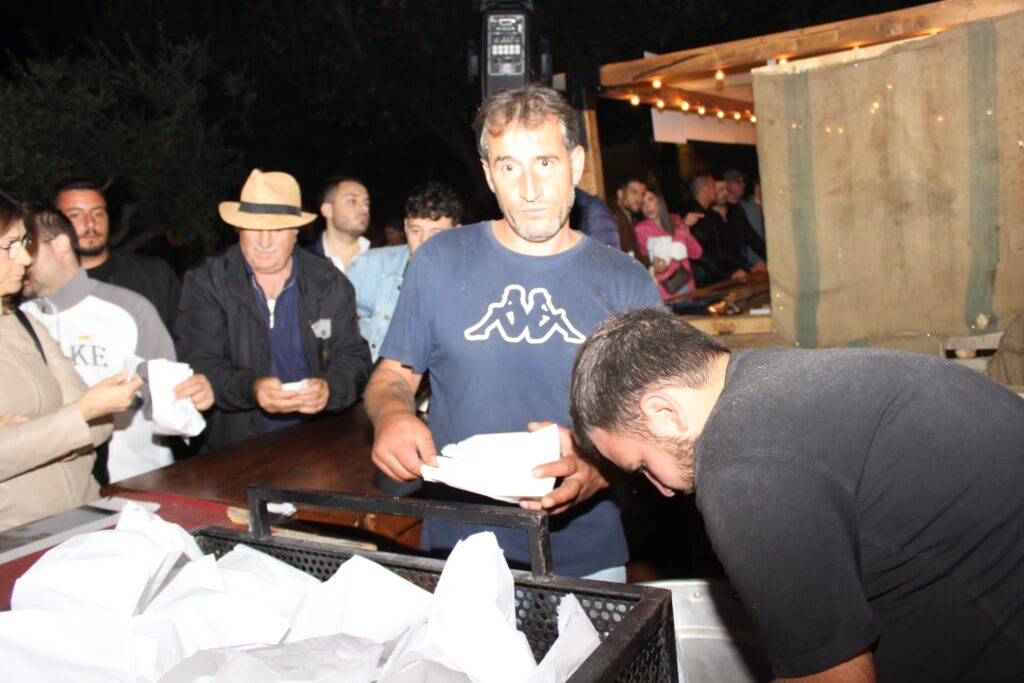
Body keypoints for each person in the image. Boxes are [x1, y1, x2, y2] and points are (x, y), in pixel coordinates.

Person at [570, 307, 1024, 682]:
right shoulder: (769, 379)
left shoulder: (740, 469)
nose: (662, 489)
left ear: (665, 414)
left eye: (643, 465)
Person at [365, 83, 662, 580]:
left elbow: (656, 419)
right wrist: (391, 415)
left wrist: (599, 468)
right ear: (488, 175)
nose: (529, 188)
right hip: (458, 551)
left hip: (585, 554)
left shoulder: (626, 281)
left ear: (577, 163)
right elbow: (393, 375)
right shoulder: (438, 260)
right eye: (509, 167)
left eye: (545, 163)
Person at [175, 169, 371, 451]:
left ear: (295, 232)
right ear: (238, 230)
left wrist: (330, 388)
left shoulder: (329, 283)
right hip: (234, 447)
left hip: (320, 444)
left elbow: (354, 357)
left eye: (277, 229)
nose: (264, 241)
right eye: (254, 228)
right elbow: (198, 360)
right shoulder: (208, 282)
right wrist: (251, 388)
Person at [20, 204, 213, 483]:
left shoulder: (128, 309)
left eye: (27, 246)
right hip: (51, 491)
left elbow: (171, 404)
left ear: (60, 244)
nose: (20, 259)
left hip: (135, 481)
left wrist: (191, 399)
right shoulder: (21, 319)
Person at [0, 191, 141, 532]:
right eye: (9, 247)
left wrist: (31, 433)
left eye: (24, 242)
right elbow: (85, 413)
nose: (24, 258)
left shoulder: (24, 323)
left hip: (88, 515)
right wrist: (75, 417)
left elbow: (101, 425)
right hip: (18, 537)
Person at [346, 182, 463, 362]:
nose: (424, 242)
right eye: (416, 231)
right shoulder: (367, 265)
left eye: (436, 233)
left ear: (456, 233)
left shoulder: (468, 283)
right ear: (405, 227)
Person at [54, 179, 182, 333]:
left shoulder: (154, 276)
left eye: (98, 213)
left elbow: (187, 339)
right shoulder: (39, 285)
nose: (90, 224)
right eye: (75, 215)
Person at [633, 188, 703, 301]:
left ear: (659, 200)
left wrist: (685, 229)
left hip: (687, 284)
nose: (647, 206)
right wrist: (683, 227)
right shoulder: (641, 229)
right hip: (666, 291)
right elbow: (670, 252)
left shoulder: (675, 219)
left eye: (650, 199)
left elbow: (696, 253)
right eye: (643, 202)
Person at [685, 173, 750, 287]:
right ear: (704, 189)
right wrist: (728, 274)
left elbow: (720, 250)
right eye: (713, 186)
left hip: (713, 279)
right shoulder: (694, 216)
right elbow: (701, 255)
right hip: (703, 284)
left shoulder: (708, 214)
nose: (715, 190)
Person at [307, 175, 372, 273]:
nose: (364, 209)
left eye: (366, 203)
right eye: (352, 201)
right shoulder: (303, 262)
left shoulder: (386, 261)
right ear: (328, 210)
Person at [611, 177, 646, 263]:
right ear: (620, 194)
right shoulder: (615, 218)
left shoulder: (627, 216)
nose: (641, 199)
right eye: (634, 192)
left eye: (642, 194)